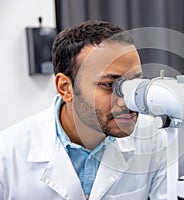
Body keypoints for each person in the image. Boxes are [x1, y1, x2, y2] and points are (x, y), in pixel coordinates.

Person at [0, 20, 167, 200]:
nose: (128, 100)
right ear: (66, 88)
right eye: (110, 84)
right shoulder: (8, 154)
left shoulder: (153, 137)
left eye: (134, 83)